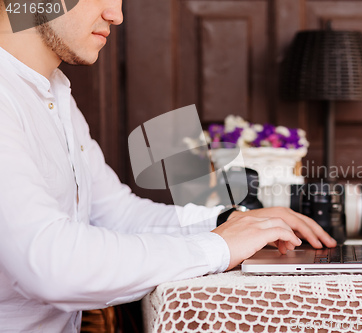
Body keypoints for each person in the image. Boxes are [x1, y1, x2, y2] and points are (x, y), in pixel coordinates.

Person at [0, 0, 336, 331]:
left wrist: (229, 221)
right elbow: (52, 265)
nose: (115, 15)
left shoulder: (54, 92)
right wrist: (218, 247)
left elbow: (116, 215)